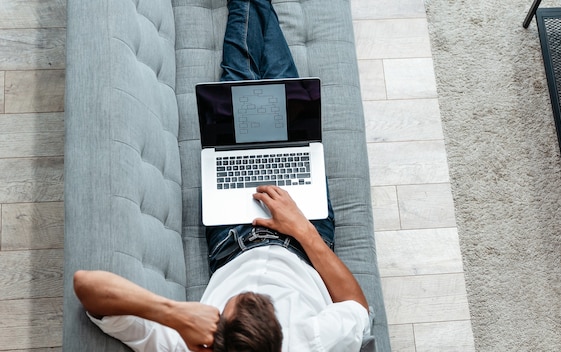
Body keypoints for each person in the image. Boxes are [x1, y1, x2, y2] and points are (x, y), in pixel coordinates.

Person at [72, 1, 371, 351]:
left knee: (237, 84)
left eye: (235, 301)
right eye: (267, 305)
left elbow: (86, 286)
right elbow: (359, 311)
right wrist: (301, 229)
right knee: (286, 89)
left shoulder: (188, 343)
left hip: (234, 237)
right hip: (306, 243)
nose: (257, 290)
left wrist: (174, 314)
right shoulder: (314, 341)